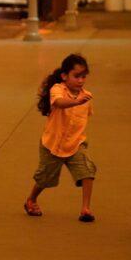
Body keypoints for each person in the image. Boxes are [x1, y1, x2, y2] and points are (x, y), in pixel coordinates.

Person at [23, 53, 96, 222]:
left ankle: (85, 208)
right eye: (76, 76)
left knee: (88, 171)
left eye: (83, 77)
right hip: (52, 145)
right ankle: (31, 199)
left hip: (75, 144)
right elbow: (59, 103)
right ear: (64, 76)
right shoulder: (57, 90)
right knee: (45, 178)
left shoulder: (87, 96)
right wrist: (76, 102)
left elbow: (86, 116)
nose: (80, 80)